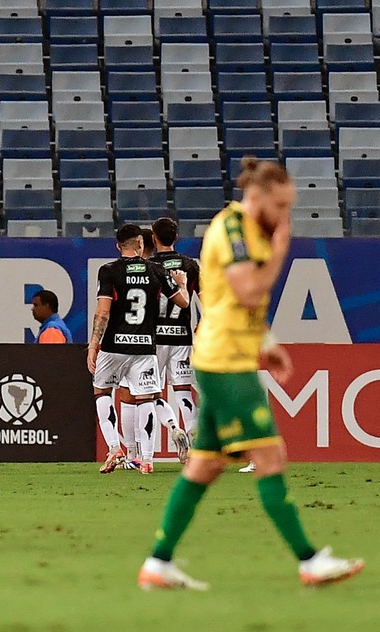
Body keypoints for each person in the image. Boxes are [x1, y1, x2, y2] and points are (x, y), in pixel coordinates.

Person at [138, 157, 364, 590]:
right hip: (225, 362)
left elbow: (235, 302)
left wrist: (267, 343)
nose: (286, 217)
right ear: (257, 197)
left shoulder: (249, 229)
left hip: (229, 354)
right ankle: (309, 560)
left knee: (203, 466)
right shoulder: (234, 229)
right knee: (270, 456)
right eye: (281, 206)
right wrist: (280, 251)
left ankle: (158, 563)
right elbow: (247, 289)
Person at [88, 224, 188, 475]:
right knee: (146, 399)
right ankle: (147, 460)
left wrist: (93, 345)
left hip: (114, 345)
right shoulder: (157, 270)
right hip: (145, 346)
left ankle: (115, 448)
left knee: (103, 391)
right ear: (141, 244)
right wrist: (182, 283)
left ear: (118, 245)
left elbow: (103, 313)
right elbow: (183, 303)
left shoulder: (108, 271)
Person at [147, 219, 201, 464]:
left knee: (153, 392)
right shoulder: (190, 265)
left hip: (155, 337)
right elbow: (205, 298)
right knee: (183, 390)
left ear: (154, 238)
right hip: (182, 336)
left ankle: (173, 428)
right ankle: (193, 432)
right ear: (176, 237)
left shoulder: (150, 266)